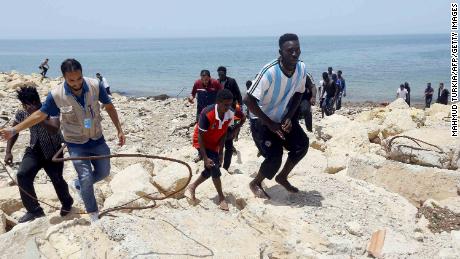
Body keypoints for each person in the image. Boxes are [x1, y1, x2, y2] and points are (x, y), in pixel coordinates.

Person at [0, 59, 126, 224]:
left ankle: (77, 187)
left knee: (103, 172)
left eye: (79, 78)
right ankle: (93, 214)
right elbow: (40, 115)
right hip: (74, 143)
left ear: (82, 73)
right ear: (64, 78)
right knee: (85, 177)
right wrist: (14, 130)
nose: (76, 83)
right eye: (71, 80)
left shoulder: (95, 85)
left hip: (95, 139)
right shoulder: (56, 95)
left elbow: (109, 107)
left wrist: (119, 129)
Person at [244, 33, 309, 199]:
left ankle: (282, 177)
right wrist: (269, 123)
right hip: (261, 120)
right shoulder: (270, 72)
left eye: (297, 50)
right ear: (281, 52)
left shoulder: (301, 68)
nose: (294, 54)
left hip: (281, 116)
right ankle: (256, 182)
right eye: (290, 51)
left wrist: (289, 116)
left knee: (302, 144)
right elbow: (248, 99)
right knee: (275, 156)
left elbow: (299, 93)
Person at [3, 86, 73, 223]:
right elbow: (14, 131)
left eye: (29, 104)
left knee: (57, 179)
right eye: (24, 105)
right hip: (34, 149)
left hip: (54, 150)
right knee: (22, 175)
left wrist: (37, 116)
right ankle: (34, 210)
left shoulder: (51, 109)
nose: (26, 107)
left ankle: (67, 203)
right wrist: (8, 151)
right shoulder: (22, 113)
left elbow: (54, 129)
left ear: (37, 101)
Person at [188, 89, 235, 210]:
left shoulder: (230, 114)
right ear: (218, 102)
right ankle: (221, 197)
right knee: (213, 167)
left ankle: (193, 186)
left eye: (230, 104)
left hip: (214, 143)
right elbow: (200, 136)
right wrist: (204, 157)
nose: (228, 107)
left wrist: (220, 152)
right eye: (226, 105)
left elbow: (224, 133)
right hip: (201, 142)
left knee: (211, 167)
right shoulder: (207, 114)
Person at [223, 103, 246, 171]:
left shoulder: (237, 111)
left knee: (229, 150)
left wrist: (236, 128)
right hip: (220, 132)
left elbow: (243, 118)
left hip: (229, 133)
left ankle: (225, 168)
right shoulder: (221, 110)